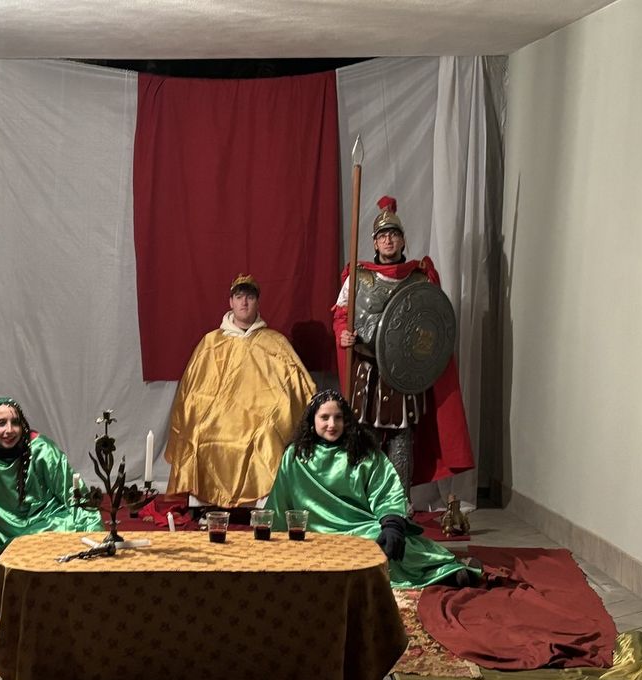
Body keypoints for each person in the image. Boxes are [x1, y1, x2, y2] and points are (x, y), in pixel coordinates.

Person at [333, 195, 473, 497]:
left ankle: (398, 500)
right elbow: (342, 316)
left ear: (402, 240)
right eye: (382, 236)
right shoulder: (358, 277)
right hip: (367, 369)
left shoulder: (419, 278)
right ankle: (366, 498)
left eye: (394, 234)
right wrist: (343, 334)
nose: (388, 240)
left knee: (401, 435)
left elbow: (432, 325)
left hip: (403, 373)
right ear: (375, 243)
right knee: (366, 435)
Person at [266, 390, 477, 589]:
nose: (332, 424)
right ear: (312, 421)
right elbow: (280, 500)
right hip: (314, 535)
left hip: (359, 529)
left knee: (388, 542)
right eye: (324, 418)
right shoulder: (295, 455)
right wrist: (273, 541)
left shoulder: (362, 453)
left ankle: (447, 572)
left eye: (338, 418)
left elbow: (386, 492)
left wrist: (392, 524)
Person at [165, 274, 316, 508]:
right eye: (239, 297)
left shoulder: (275, 342)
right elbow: (192, 392)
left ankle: (264, 502)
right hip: (219, 419)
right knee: (200, 432)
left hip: (261, 420)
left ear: (258, 302)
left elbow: (298, 386)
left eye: (250, 297)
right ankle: (204, 502)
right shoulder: (211, 342)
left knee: (267, 435)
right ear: (231, 302)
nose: (244, 302)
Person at [0, 397, 102, 557]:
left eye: (15, 422)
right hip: (11, 533)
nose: (9, 430)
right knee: (25, 545)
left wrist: (94, 533)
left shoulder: (42, 449)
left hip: (49, 522)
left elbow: (73, 493)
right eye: (1, 423)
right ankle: (16, 546)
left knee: (66, 530)